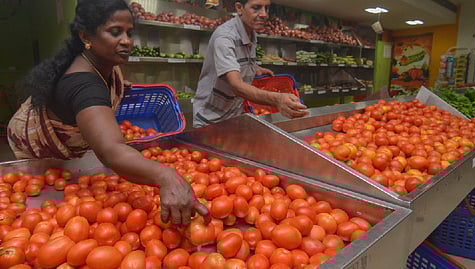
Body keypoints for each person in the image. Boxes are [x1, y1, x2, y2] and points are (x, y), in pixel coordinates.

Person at [7, 0, 207, 225]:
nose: (127, 41)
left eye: (130, 33)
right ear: (86, 37)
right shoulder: (84, 85)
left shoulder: (101, 64)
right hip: (37, 145)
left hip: (67, 139)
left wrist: (117, 88)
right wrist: (166, 176)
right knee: (43, 201)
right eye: (115, 32)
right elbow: (111, 151)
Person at [193, 0, 308, 128]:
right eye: (256, 8)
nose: (264, 14)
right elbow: (236, 85)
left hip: (235, 115)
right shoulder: (225, 37)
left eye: (266, 8)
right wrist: (277, 99)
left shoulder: (251, 32)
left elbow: (236, 62)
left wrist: (253, 68)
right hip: (211, 121)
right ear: (239, 8)